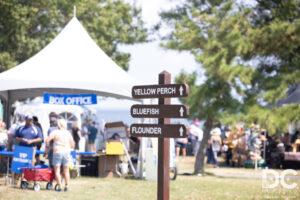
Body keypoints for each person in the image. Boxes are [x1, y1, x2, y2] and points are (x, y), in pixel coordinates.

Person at [46, 119, 74, 192]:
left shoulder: (55, 132)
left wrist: (49, 147)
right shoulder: (68, 133)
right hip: (66, 152)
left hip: (57, 152)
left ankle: (60, 186)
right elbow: (72, 144)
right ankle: (67, 186)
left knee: (57, 171)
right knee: (66, 171)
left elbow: (47, 140)